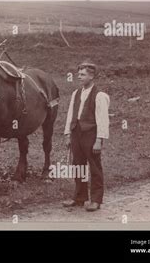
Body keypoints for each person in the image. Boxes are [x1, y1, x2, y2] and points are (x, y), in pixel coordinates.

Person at [62, 60, 110, 212]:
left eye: (82, 74)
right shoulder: (76, 93)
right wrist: (68, 134)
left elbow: (103, 119)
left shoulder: (100, 95)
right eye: (79, 74)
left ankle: (96, 200)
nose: (79, 76)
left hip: (91, 134)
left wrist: (98, 140)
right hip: (76, 132)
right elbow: (71, 114)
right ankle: (80, 197)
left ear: (92, 76)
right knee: (78, 166)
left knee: (94, 167)